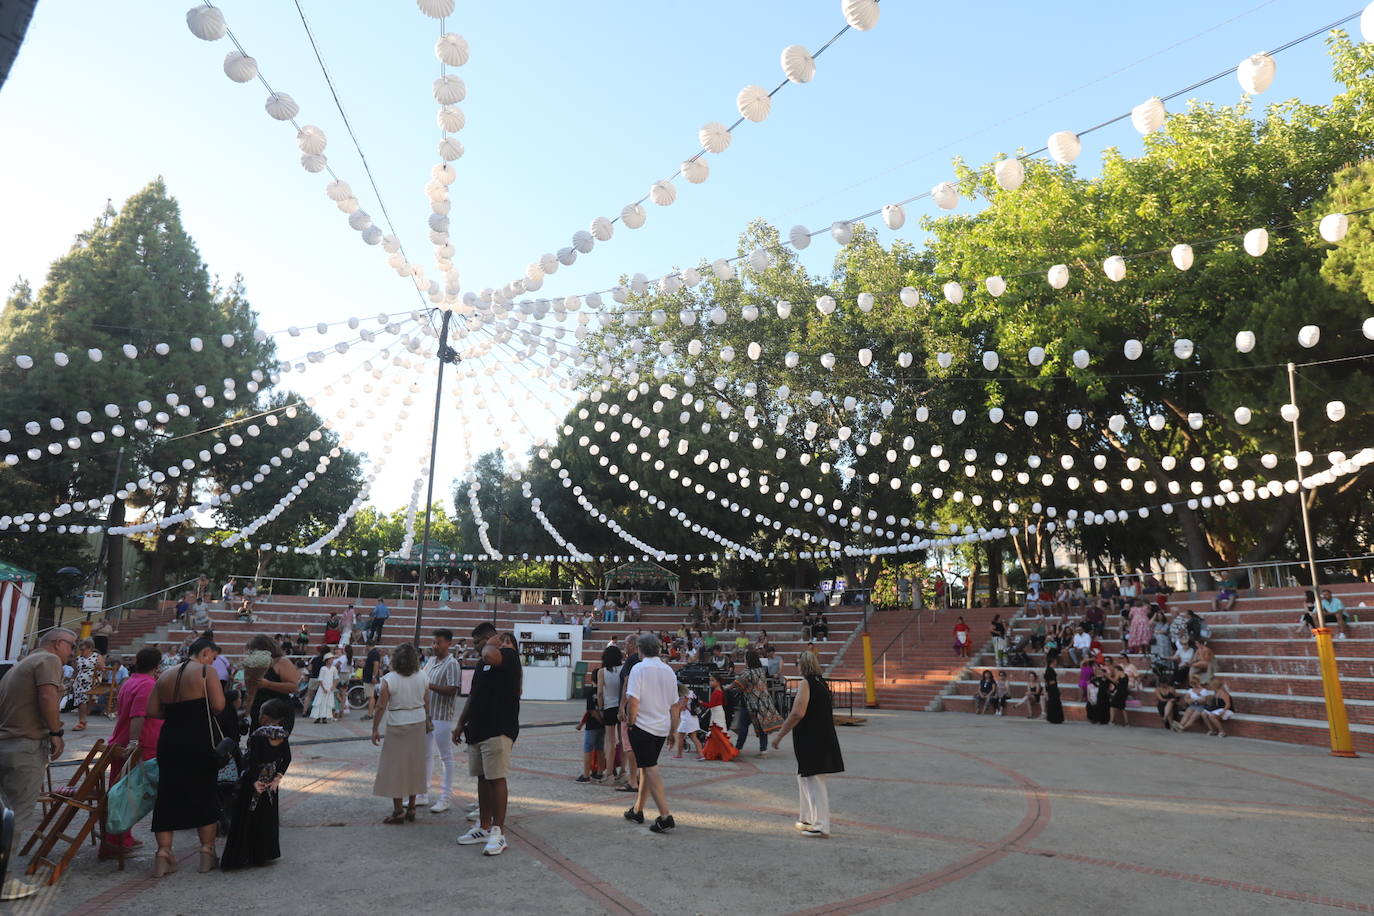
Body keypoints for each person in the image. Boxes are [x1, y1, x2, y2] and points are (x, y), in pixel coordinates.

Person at [0, 627, 75, 901]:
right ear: (58, 643)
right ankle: (4, 882)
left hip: (7, 743)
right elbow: (47, 697)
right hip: (24, 747)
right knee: (16, 817)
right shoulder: (49, 660)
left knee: (4, 815)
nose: (72, 654)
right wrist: (56, 732)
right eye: (71, 647)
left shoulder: (22, 663)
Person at [147, 636, 227, 876]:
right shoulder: (206, 671)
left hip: (170, 739)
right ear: (205, 653)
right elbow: (219, 705)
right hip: (198, 738)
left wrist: (177, 716)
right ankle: (206, 851)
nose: (213, 661)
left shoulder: (165, 674)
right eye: (213, 656)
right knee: (204, 792)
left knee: (167, 795)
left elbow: (152, 710)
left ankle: (163, 853)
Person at [454, 622, 522, 856]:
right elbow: (474, 696)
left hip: (498, 728)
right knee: (483, 779)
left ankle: (498, 832)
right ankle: (482, 826)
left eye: (477, 641)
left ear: (490, 639)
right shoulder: (483, 663)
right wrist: (461, 723)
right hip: (478, 729)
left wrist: (491, 644)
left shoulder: (509, 656)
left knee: (496, 779)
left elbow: (491, 655)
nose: (475, 647)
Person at [772, 651, 843, 838]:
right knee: (805, 778)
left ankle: (821, 825)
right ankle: (807, 818)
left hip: (813, 739)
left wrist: (779, 735)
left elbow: (797, 712)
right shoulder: (822, 683)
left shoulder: (806, 683)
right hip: (818, 737)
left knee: (814, 781)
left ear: (802, 665)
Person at [103, 646, 163, 858]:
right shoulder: (147, 684)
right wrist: (135, 742)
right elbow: (139, 716)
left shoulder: (130, 681)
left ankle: (121, 836)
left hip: (123, 740)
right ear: (157, 666)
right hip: (138, 744)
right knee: (132, 792)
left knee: (124, 790)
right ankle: (117, 838)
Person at [221, 698, 293, 870]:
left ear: (265, 718)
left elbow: (253, 761)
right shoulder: (283, 735)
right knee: (266, 815)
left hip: (255, 780)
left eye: (260, 712)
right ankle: (264, 853)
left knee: (248, 815)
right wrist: (277, 777)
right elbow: (287, 758)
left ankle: (244, 854)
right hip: (270, 782)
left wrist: (254, 781)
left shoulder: (257, 735)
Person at [621, 634, 682, 834]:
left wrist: (630, 722)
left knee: (650, 769)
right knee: (647, 767)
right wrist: (673, 730)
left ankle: (665, 816)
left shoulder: (639, 669)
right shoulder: (668, 671)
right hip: (661, 727)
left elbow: (634, 701)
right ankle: (638, 809)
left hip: (643, 726)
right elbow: (675, 706)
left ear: (640, 650)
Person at [370, 642, 429, 824]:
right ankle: (411, 807)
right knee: (414, 766)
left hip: (397, 724)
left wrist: (375, 728)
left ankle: (398, 811)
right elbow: (427, 702)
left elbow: (381, 706)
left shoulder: (390, 679)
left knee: (395, 767)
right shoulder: (423, 676)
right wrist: (427, 721)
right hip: (418, 722)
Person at [423, 628, 461, 813]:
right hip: (427, 714)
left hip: (442, 715)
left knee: (445, 757)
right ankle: (423, 793)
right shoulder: (430, 661)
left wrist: (429, 685)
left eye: (438, 642)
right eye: (433, 642)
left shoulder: (452, 664)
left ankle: (445, 797)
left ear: (449, 643)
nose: (435, 646)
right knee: (425, 754)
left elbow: (453, 689)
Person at [731, 650, 782, 756]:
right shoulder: (761, 670)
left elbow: (737, 684)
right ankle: (763, 750)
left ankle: (738, 748)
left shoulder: (747, 672)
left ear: (748, 660)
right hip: (763, 703)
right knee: (762, 726)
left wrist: (726, 688)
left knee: (743, 725)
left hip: (750, 704)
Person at [244, 634, 302, 726]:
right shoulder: (255, 665)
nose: (250, 652)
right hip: (259, 710)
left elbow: (293, 687)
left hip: (277, 711)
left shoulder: (282, 662)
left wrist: (268, 684)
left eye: (253, 649)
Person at [596, 644, 625, 786]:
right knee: (623, 741)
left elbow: (600, 693)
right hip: (621, 707)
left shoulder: (602, 672)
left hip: (609, 707)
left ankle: (609, 773)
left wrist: (600, 708)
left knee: (610, 741)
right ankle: (623, 772)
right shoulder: (623, 669)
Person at [697, 673, 739, 761]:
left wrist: (700, 702)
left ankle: (728, 752)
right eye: (710, 680)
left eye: (712, 680)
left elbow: (711, 705)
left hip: (716, 714)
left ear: (718, 682)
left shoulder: (716, 692)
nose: (710, 682)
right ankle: (709, 753)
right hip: (719, 712)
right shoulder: (720, 691)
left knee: (718, 735)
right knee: (715, 735)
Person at [576, 668, 605, 782]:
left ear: (592, 679)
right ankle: (599, 772)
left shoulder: (590, 692)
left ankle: (586, 774)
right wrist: (603, 721)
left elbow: (591, 711)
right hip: (602, 725)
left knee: (588, 748)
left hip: (592, 725)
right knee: (600, 749)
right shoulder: (605, 692)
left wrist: (582, 724)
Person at [68, 638, 102, 731]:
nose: (81, 651)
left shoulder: (97, 656)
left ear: (90, 648)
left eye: (82, 649)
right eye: (80, 649)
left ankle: (82, 721)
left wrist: (99, 667)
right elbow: (75, 672)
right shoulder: (78, 658)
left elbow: (103, 669)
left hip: (92, 680)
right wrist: (71, 681)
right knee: (80, 699)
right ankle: (82, 721)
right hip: (80, 681)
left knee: (82, 698)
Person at [672, 684, 700, 758]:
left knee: (680, 736)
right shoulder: (691, 692)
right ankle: (701, 754)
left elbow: (682, 706)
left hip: (687, 718)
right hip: (692, 717)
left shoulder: (687, 694)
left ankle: (679, 754)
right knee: (693, 736)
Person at [311, 651, 338, 724]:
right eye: (330, 659)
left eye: (332, 659)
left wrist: (333, 686)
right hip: (323, 688)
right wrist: (323, 688)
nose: (332, 661)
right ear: (327, 660)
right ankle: (318, 717)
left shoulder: (334, 669)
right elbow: (320, 679)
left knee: (327, 702)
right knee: (320, 702)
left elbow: (336, 678)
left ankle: (325, 717)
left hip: (330, 688)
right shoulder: (323, 668)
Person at [361, 641, 383, 720]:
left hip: (370, 677)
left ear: (367, 645)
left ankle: (370, 714)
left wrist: (373, 676)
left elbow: (376, 664)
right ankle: (370, 713)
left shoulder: (373, 653)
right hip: (370, 676)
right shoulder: (374, 653)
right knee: (371, 695)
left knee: (370, 696)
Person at [1043, 654, 1064, 724]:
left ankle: (1053, 718)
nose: (1056, 662)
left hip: (1051, 688)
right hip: (1052, 688)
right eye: (1055, 661)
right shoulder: (1050, 670)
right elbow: (1050, 681)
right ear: (1053, 662)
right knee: (1054, 702)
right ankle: (1055, 718)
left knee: (1053, 702)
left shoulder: (1048, 669)